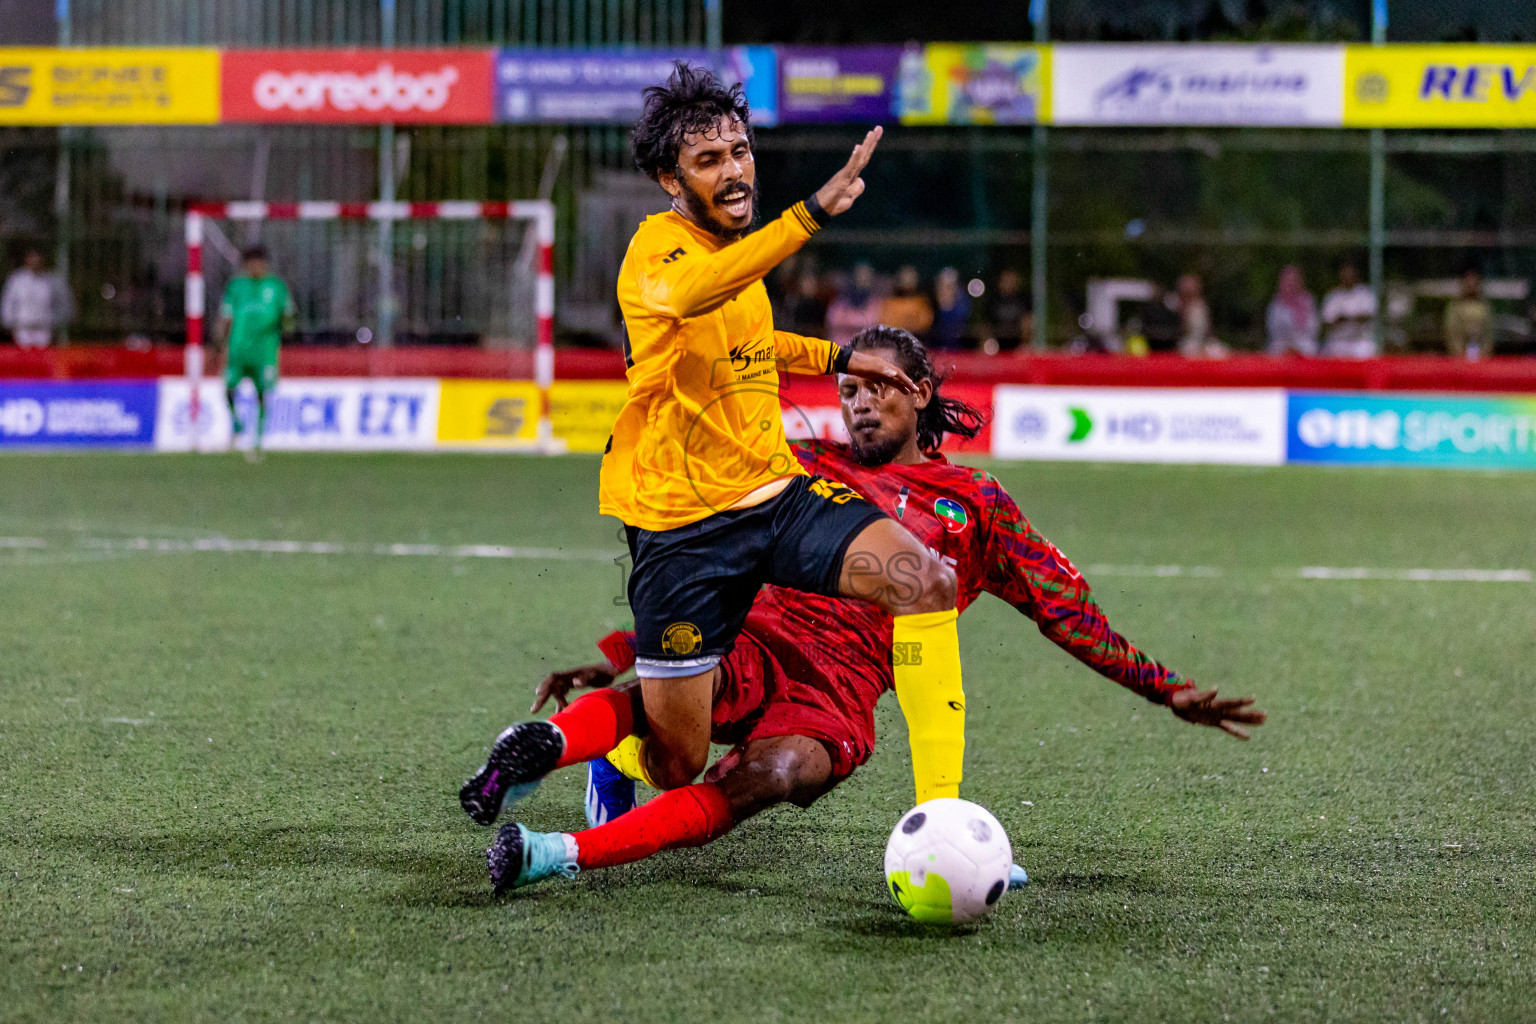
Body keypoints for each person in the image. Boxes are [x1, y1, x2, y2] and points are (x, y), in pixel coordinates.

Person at [463, 326, 1267, 892]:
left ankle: (555, 849)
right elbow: (701, 563)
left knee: (773, 776)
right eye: (847, 389)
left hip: (838, 690)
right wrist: (620, 652)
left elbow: (1066, 610)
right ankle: (592, 759)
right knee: (662, 706)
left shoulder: (974, 502)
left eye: (878, 388)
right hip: (757, 637)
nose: (859, 404)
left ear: (920, 393)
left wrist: (1162, 688)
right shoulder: (799, 468)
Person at [465, 63, 972, 830]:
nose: (734, 170)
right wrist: (809, 214)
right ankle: (608, 749)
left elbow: (748, 342)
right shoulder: (659, 253)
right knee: (679, 763)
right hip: (684, 531)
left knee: (923, 579)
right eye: (710, 160)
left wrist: (840, 359)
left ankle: (944, 822)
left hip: (776, 499)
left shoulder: (738, 248)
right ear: (672, 179)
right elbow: (695, 293)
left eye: (740, 151)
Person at [215, 245, 294, 458]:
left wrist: (287, 324)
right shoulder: (237, 286)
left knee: (262, 393)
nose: (255, 267)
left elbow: (288, 317)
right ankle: (237, 424)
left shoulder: (276, 287)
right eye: (251, 263)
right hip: (238, 350)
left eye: (259, 263)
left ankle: (258, 439)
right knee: (228, 389)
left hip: (264, 352)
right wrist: (219, 342)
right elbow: (226, 315)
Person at [2, 248, 65, 349]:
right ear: (26, 259)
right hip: (22, 330)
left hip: (45, 330)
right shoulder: (16, 280)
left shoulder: (53, 281)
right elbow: (8, 303)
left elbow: (64, 305)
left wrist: (56, 322)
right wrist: (8, 323)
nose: (35, 261)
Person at [1320, 262, 1377, 359]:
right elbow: (1326, 322)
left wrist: (1347, 318)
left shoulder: (1365, 293)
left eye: (1350, 274)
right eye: (1344, 275)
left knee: (1366, 350)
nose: (1347, 278)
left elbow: (1368, 316)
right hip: (1338, 341)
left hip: (1360, 340)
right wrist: (1341, 320)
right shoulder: (1332, 296)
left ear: (1355, 275)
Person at [1265, 264, 1319, 357]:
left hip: (1303, 344)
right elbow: (1272, 328)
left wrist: (1296, 345)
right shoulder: (1276, 302)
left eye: (1294, 281)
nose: (1291, 285)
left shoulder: (1307, 301)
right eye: (1288, 281)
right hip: (1281, 344)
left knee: (1310, 350)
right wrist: (1288, 346)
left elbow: (1313, 328)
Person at [824, 262, 882, 347]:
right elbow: (832, 320)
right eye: (859, 275)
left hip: (864, 353)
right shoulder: (839, 302)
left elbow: (872, 322)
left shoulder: (875, 303)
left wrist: (848, 320)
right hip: (839, 351)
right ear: (852, 277)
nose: (862, 279)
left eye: (866, 276)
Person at [1443, 266, 1493, 360]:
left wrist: (1484, 353)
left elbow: (1489, 332)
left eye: (1474, 281)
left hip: (1482, 355)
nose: (1471, 284)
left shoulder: (1484, 306)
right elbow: (1451, 330)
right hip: (1459, 355)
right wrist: (1459, 353)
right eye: (1468, 281)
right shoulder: (1455, 306)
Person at [981, 268, 1031, 354]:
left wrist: (1025, 343)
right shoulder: (993, 300)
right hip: (996, 343)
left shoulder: (1023, 298)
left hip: (1018, 343)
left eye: (1011, 280)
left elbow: (1028, 321)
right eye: (1006, 280)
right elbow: (986, 325)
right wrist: (987, 344)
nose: (1009, 283)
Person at [1174, 273, 1224, 358]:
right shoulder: (1176, 305)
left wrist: (1210, 340)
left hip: (1203, 342)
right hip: (1187, 343)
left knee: (1218, 351)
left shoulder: (1201, 306)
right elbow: (1180, 332)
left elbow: (1207, 328)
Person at [879, 265, 934, 338]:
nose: (907, 281)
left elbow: (925, 324)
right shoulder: (890, 303)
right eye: (905, 276)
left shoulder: (923, 302)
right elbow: (886, 323)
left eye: (911, 277)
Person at [929, 266, 971, 350]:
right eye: (942, 285)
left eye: (948, 286)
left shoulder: (962, 302)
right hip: (936, 348)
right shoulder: (932, 302)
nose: (944, 289)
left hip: (958, 348)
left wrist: (947, 303)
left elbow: (962, 321)